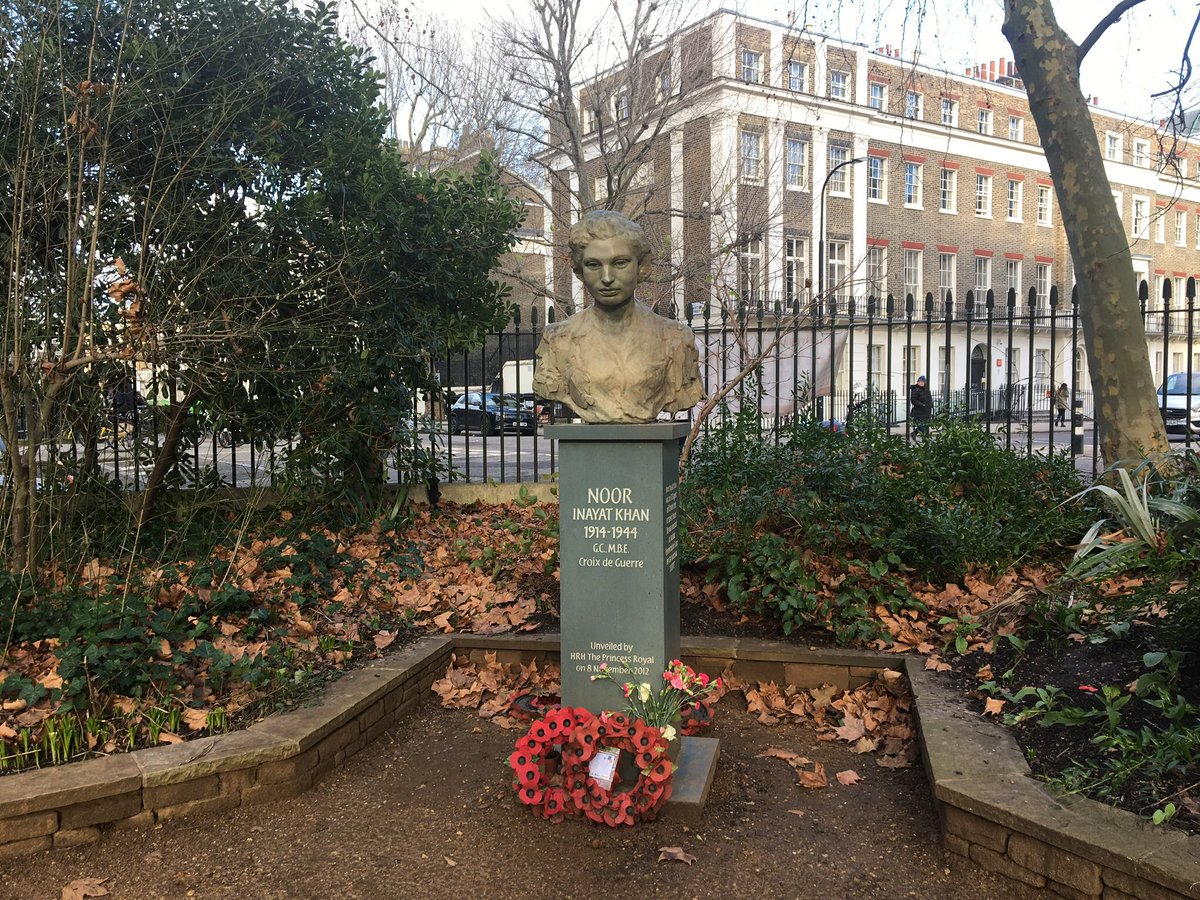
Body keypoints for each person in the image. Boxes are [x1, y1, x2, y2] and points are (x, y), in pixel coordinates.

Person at [532, 211, 704, 423]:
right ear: (579, 270)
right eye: (593, 265)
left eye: (620, 263)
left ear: (641, 267)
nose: (606, 278)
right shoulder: (557, 340)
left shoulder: (676, 340)